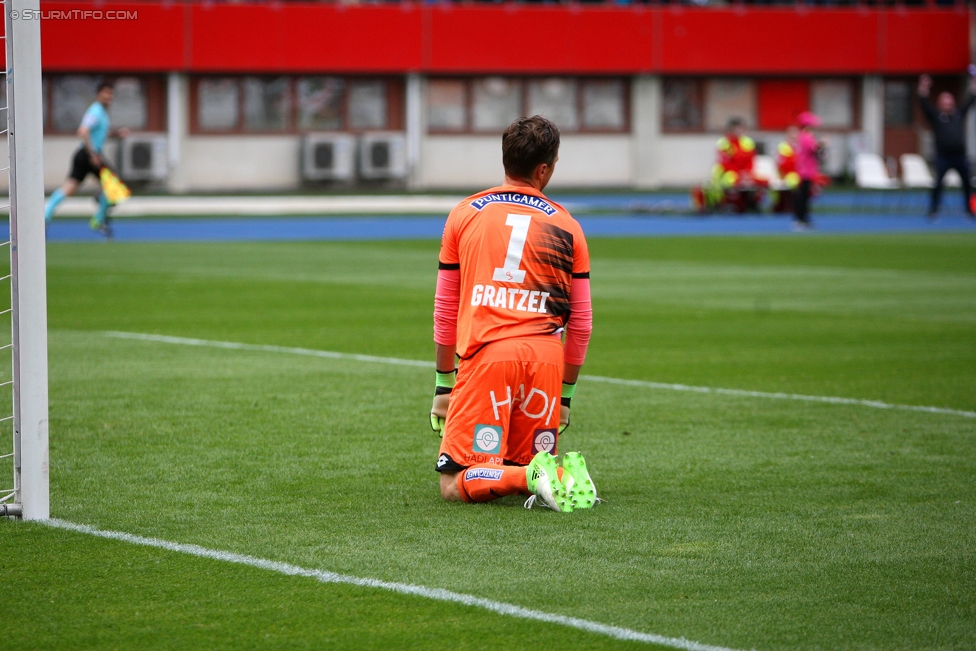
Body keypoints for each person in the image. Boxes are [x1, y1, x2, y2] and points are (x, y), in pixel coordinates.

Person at [429, 115, 596, 513]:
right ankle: (553, 475)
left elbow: (445, 308)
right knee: (514, 462)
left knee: (454, 483)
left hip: (489, 359)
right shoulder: (568, 225)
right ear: (544, 169)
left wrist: (442, 385)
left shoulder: (465, 213)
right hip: (544, 364)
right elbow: (582, 324)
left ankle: (529, 477)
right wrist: (565, 396)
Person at [44, 81, 130, 237]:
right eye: (106, 93)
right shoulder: (96, 111)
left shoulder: (102, 113)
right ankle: (98, 219)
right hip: (89, 155)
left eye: (111, 94)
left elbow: (98, 133)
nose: (109, 96)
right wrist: (92, 154)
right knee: (115, 188)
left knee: (70, 187)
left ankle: (46, 215)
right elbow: (83, 131)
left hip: (85, 154)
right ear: (98, 95)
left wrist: (117, 134)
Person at [917, 74, 975, 218]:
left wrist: (974, 82)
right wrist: (923, 86)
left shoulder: (958, 114)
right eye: (945, 101)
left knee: (968, 183)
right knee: (938, 184)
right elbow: (923, 102)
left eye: (950, 101)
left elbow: (970, 99)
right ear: (940, 103)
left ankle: (970, 210)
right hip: (943, 156)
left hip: (960, 156)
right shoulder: (936, 116)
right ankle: (934, 210)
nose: (948, 104)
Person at [712, 117, 765, 213]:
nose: (740, 131)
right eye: (737, 128)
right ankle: (728, 204)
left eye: (741, 128)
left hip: (745, 173)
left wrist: (747, 173)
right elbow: (726, 163)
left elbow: (751, 161)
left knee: (762, 181)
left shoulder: (748, 142)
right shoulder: (724, 143)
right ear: (731, 129)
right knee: (731, 180)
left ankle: (753, 203)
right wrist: (740, 174)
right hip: (728, 173)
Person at [793, 111, 825, 231]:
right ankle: (801, 219)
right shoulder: (806, 136)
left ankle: (802, 218)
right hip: (806, 170)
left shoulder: (803, 136)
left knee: (804, 195)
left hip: (805, 170)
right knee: (803, 196)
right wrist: (823, 144)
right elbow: (815, 150)